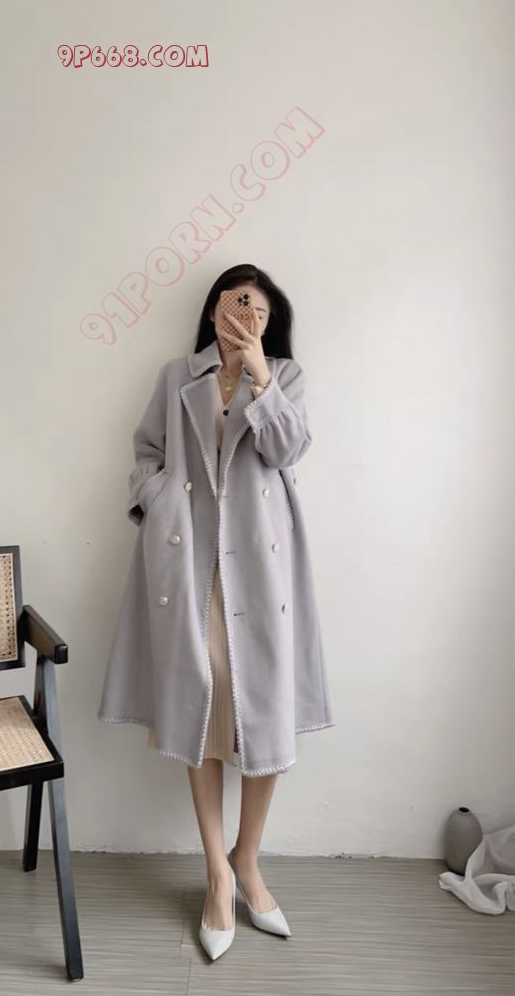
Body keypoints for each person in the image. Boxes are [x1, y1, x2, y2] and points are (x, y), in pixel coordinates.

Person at [98, 263, 334, 960]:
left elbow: (287, 449)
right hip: (189, 561)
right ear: (213, 311)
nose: (247, 317)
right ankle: (215, 875)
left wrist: (259, 375)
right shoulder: (178, 376)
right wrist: (157, 500)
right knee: (200, 700)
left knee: (265, 707)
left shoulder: (284, 376)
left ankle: (247, 860)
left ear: (270, 321)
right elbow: (146, 451)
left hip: (260, 564)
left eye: (260, 309)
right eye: (238, 304)